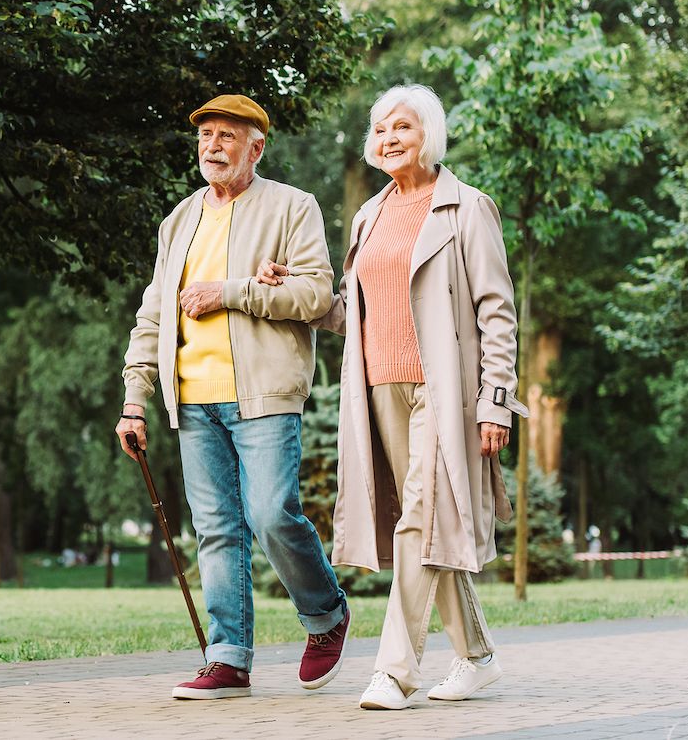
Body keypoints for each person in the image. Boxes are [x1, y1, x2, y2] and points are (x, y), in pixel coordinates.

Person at [257, 84, 529, 709]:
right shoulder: (369, 215)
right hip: (380, 388)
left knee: (416, 519)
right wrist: (294, 290)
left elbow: (497, 310)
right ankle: (478, 657)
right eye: (380, 129)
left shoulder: (466, 208)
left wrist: (495, 399)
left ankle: (394, 672)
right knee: (428, 520)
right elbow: (352, 310)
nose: (388, 138)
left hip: (445, 390)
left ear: (427, 133)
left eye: (402, 127)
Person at [116, 93, 350, 700]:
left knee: (271, 514)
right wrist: (134, 398)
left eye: (226, 135)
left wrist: (234, 291)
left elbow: (317, 300)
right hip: (192, 399)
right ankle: (228, 658)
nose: (212, 146)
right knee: (217, 529)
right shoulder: (179, 220)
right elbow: (152, 316)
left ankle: (325, 615)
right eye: (205, 136)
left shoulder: (292, 207)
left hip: (266, 393)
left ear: (257, 147)